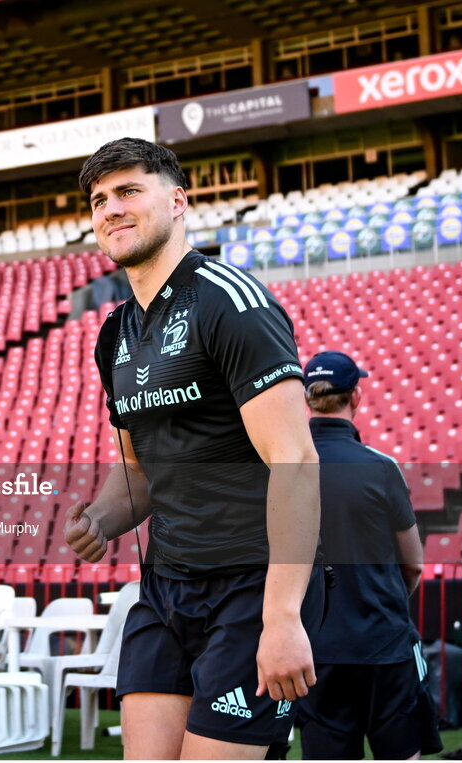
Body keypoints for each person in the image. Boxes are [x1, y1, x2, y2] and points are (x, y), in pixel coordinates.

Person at [65, 137, 324, 760]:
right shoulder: (114, 332)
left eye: (129, 191)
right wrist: (101, 518)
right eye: (99, 199)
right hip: (165, 588)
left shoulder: (231, 302)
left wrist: (282, 617)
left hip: (249, 588)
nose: (111, 209)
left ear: (178, 201)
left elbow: (296, 462)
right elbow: (136, 469)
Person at [297, 350, 440, 759]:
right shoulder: (381, 467)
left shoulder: (283, 466)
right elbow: (412, 564)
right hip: (384, 644)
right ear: (356, 396)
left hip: (315, 648)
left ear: (308, 399)